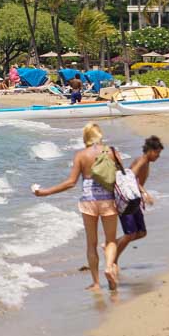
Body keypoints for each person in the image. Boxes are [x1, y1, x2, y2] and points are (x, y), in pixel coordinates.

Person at [34, 123, 120, 290]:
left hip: (88, 201)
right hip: (108, 199)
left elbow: (71, 182)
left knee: (91, 243)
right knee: (110, 240)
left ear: (86, 137)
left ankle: (96, 283)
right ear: (100, 136)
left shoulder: (81, 155)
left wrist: (45, 192)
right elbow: (119, 176)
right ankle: (109, 267)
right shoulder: (112, 152)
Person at [115, 136, 163, 265]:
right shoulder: (142, 161)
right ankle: (113, 260)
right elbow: (130, 179)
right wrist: (145, 193)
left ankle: (112, 245)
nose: (158, 156)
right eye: (157, 153)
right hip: (128, 201)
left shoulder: (145, 162)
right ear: (150, 151)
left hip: (134, 200)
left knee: (142, 233)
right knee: (130, 234)